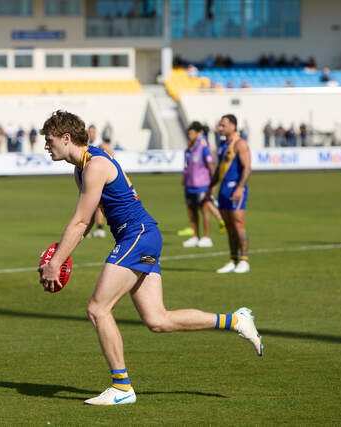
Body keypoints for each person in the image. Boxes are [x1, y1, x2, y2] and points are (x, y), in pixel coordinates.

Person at [37, 110, 263, 406]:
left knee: (98, 309)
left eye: (50, 140)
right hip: (142, 235)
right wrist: (61, 253)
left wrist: (56, 262)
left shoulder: (94, 165)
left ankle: (121, 387)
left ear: (66, 138)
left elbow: (80, 221)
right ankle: (236, 320)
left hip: (137, 235)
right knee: (158, 320)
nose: (46, 146)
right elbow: (88, 221)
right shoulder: (82, 169)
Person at [209, 114, 252, 274]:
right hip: (224, 191)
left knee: (238, 224)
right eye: (219, 125)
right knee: (229, 227)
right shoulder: (222, 144)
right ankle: (233, 260)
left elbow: (247, 168)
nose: (220, 128)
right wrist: (211, 185)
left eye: (223, 125)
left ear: (233, 126)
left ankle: (244, 260)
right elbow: (219, 168)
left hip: (235, 189)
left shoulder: (240, 144)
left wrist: (240, 188)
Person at [181, 121, 225, 248]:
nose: (190, 136)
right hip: (189, 186)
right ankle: (195, 236)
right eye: (188, 134)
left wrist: (213, 185)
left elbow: (211, 167)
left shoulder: (203, 148)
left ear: (197, 134)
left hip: (202, 185)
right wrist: (184, 180)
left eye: (192, 133)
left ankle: (207, 237)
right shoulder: (187, 150)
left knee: (205, 211)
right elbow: (186, 168)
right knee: (192, 212)